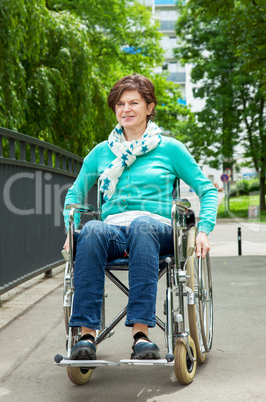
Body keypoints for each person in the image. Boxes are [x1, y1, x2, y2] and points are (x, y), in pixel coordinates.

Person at [63, 74, 218, 361]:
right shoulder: (101, 153)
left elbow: (207, 190)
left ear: (149, 107)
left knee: (141, 226)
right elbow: (74, 196)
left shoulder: (170, 149)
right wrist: (71, 229)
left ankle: (141, 335)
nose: (126, 109)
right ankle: (86, 336)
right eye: (120, 104)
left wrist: (203, 230)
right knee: (93, 229)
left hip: (156, 230)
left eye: (134, 102)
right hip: (113, 233)